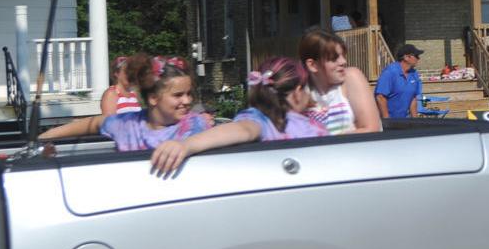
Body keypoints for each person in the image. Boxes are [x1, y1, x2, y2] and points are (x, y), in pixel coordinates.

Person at [148, 57, 328, 176]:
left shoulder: (276, 120)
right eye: (308, 89)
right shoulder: (264, 120)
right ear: (297, 91)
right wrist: (186, 145)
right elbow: (243, 129)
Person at [40, 55, 214, 152]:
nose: (187, 101)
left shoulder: (196, 126)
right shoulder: (128, 124)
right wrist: (44, 138)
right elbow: (94, 123)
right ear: (153, 98)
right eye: (178, 95)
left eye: (189, 94)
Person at [300, 27, 382, 134]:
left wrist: (325, 140)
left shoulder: (351, 78)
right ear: (312, 65)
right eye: (334, 58)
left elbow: (372, 129)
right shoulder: (301, 91)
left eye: (343, 55)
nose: (343, 61)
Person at [375, 44, 424, 119]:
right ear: (406, 57)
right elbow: (380, 97)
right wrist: (387, 121)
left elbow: (413, 98)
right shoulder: (390, 72)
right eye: (416, 56)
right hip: (382, 121)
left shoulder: (414, 74)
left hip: (401, 121)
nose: (419, 58)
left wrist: (415, 121)